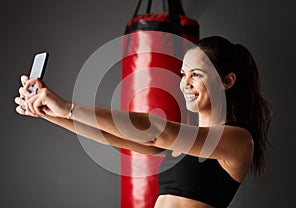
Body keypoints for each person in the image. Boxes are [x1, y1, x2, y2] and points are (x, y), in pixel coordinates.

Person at [15, 36, 272, 208]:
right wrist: (51, 113)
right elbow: (110, 136)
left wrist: (69, 108)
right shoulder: (182, 141)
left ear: (227, 81)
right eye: (183, 74)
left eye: (197, 75)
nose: (185, 84)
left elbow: (155, 131)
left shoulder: (238, 140)